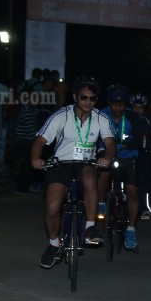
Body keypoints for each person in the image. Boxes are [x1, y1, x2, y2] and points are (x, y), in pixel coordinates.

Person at [31, 76, 116, 268]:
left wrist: (107, 157)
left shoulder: (101, 118)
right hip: (61, 163)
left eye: (92, 98)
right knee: (53, 206)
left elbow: (110, 143)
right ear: (75, 96)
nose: (88, 102)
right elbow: (39, 141)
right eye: (84, 97)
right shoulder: (61, 115)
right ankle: (53, 244)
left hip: (86, 163)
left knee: (89, 178)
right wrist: (36, 159)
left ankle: (90, 226)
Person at [97, 84, 143, 250]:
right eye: (114, 104)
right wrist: (103, 150)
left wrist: (127, 146)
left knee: (132, 191)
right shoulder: (101, 114)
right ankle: (101, 202)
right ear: (109, 102)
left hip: (127, 156)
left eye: (121, 104)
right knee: (103, 173)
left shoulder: (132, 117)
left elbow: (139, 139)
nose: (118, 107)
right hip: (107, 154)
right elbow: (94, 136)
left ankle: (131, 229)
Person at [130, 92, 151, 220]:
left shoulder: (148, 119)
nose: (137, 110)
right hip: (127, 153)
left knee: (144, 180)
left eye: (140, 107)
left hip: (144, 153)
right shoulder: (126, 118)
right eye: (135, 107)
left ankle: (145, 208)